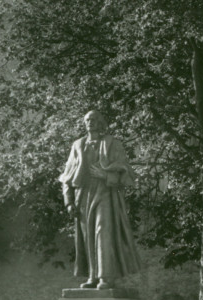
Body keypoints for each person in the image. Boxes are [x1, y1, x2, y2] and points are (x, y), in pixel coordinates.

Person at [59, 110, 142, 289]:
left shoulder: (113, 144)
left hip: (105, 192)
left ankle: (106, 277)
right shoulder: (78, 145)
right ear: (84, 123)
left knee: (102, 231)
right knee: (88, 235)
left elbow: (126, 172)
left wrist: (106, 175)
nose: (91, 122)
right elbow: (66, 177)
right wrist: (69, 202)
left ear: (101, 123)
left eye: (95, 119)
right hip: (83, 194)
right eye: (88, 119)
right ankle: (92, 276)